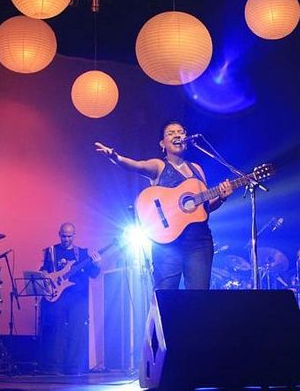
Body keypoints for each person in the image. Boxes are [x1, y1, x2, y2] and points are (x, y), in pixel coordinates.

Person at [95, 120, 233, 290]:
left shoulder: (196, 169)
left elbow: (204, 208)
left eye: (181, 132)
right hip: (167, 244)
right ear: (162, 144)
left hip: (199, 242)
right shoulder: (159, 166)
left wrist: (221, 198)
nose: (177, 135)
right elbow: (137, 166)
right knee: (166, 295)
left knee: (199, 297)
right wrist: (115, 157)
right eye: (171, 133)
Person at [39, 222, 101, 375]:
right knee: (56, 331)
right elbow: (44, 271)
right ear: (59, 234)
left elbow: (93, 274)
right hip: (57, 296)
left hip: (78, 297)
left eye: (69, 236)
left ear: (74, 235)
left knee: (77, 329)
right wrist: (46, 276)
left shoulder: (82, 253)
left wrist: (97, 265)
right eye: (63, 236)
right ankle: (55, 366)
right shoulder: (51, 251)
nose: (66, 239)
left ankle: (73, 367)